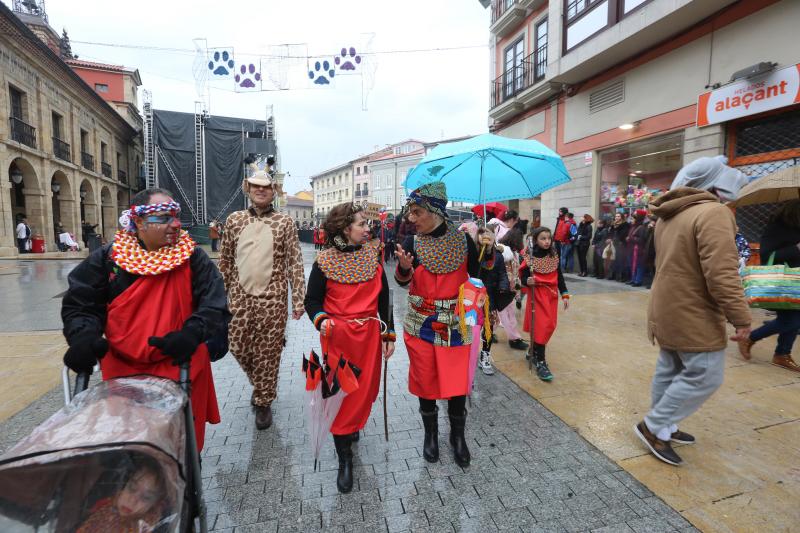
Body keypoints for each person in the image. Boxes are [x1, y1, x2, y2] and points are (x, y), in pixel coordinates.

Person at [61, 188, 226, 451]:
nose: (174, 224)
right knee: (129, 448)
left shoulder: (192, 257)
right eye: (163, 218)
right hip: (124, 373)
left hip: (181, 363)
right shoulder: (108, 259)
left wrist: (193, 332)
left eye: (175, 216)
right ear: (139, 222)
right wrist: (82, 336)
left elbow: (214, 302)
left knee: (181, 448)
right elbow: (82, 304)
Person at [635, 155, 750, 466]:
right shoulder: (713, 213)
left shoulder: (670, 214)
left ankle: (666, 426)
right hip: (693, 309)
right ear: (716, 186)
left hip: (666, 305)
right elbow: (721, 274)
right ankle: (654, 426)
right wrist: (741, 318)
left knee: (670, 367)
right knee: (706, 374)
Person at [304, 203, 396, 493]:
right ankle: (345, 460)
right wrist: (321, 321)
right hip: (338, 339)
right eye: (362, 224)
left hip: (368, 339)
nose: (368, 228)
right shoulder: (324, 262)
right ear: (346, 229)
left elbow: (385, 300)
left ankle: (351, 427)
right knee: (340, 397)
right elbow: (312, 301)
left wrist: (389, 333)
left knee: (364, 393)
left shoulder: (373, 259)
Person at [394, 182, 480, 467]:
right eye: (410, 212)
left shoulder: (465, 241)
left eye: (417, 212)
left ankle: (458, 437)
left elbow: (477, 281)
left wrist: (489, 258)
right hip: (422, 325)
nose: (410, 218)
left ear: (436, 212)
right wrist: (405, 270)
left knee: (456, 384)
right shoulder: (411, 243)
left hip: (456, 325)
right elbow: (402, 282)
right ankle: (430, 435)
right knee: (425, 380)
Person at [218, 170, 306, 430]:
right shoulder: (234, 220)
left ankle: (264, 401)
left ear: (273, 191)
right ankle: (261, 383)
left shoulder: (284, 222)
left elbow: (295, 262)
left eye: (265, 187)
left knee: (267, 353)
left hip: (274, 299)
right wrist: (217, 297)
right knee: (237, 345)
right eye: (255, 186)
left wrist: (298, 299)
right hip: (239, 297)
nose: (260, 190)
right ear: (248, 188)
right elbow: (225, 261)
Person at [738, 200, 800, 372]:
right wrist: (796, 248)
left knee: (792, 320)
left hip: (796, 282)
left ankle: (782, 354)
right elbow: (767, 255)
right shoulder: (779, 227)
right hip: (783, 282)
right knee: (791, 320)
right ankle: (751, 338)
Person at [520, 227, 570, 381]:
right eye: (543, 238)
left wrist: (565, 294)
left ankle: (533, 350)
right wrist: (527, 282)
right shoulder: (529, 256)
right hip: (537, 296)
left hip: (551, 296)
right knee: (541, 328)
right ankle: (541, 362)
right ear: (536, 240)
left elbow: (559, 276)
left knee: (549, 326)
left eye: (549, 238)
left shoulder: (554, 254)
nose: (547, 241)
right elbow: (522, 277)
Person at [76, 454, 167, 533]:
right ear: (125, 484)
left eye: (145, 497)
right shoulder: (104, 506)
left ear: (155, 505)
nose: (132, 500)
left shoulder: (145, 528)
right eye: (132, 488)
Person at [475, 228, 511, 376]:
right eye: (482, 233)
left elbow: (502, 273)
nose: (485, 236)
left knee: (488, 328)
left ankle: (485, 354)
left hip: (490, 298)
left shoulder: (499, 256)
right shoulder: (474, 254)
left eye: (489, 233)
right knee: (472, 328)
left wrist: (504, 286)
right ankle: (468, 356)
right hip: (473, 298)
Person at [498, 229, 527, 351]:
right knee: (507, 314)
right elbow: (508, 272)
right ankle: (514, 338)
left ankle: (490, 332)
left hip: (507, 287)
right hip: (504, 288)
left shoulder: (510, 251)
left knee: (498, 313)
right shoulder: (504, 250)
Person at [627, 210, 648, 287]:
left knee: (639, 266)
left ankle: (638, 280)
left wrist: (631, 238)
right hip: (632, 249)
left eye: (633, 218)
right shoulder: (634, 226)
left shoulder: (641, 227)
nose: (631, 220)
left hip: (638, 250)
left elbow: (642, 240)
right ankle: (633, 279)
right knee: (633, 265)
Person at [609, 212, 630, 281]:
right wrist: (610, 238)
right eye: (616, 216)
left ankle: (623, 277)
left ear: (621, 217)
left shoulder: (625, 224)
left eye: (618, 216)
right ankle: (614, 275)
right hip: (613, 244)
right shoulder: (613, 225)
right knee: (613, 260)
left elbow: (623, 234)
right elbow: (610, 233)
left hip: (622, 245)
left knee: (622, 261)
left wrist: (616, 237)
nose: (616, 218)